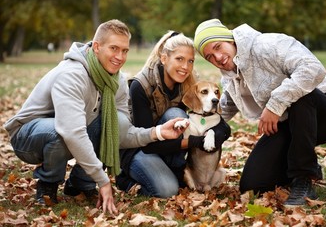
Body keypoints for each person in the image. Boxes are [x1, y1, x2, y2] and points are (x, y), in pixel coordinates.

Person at [4, 19, 188, 214]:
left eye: (124, 51)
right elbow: (72, 132)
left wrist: (158, 132)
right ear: (97, 46)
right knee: (60, 133)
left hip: (69, 131)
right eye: (114, 48)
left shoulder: (117, 81)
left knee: (108, 123)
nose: (120, 56)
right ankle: (47, 184)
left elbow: (119, 132)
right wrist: (103, 180)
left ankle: (80, 184)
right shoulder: (72, 75)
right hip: (28, 137)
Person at [193, 19, 326, 206]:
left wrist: (274, 106)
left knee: (301, 96)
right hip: (290, 123)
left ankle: (303, 177)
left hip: (325, 114)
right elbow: (224, 109)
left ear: (230, 39)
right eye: (209, 57)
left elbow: (312, 69)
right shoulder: (230, 78)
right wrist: (195, 126)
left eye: (218, 47)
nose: (217, 57)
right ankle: (301, 162)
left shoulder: (268, 44)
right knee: (252, 186)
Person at [116, 31, 231, 198]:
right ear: (164, 58)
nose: (185, 66)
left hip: (168, 150)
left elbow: (217, 122)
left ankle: (174, 171)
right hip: (139, 150)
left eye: (190, 61)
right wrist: (194, 141)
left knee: (176, 187)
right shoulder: (140, 85)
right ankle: (126, 180)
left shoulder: (189, 83)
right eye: (179, 59)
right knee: (166, 190)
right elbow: (147, 144)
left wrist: (218, 133)